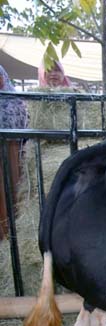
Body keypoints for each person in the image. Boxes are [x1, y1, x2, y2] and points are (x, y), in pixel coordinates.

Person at [0, 65, 30, 239]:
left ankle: (11, 234)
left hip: (10, 152)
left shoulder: (14, 100)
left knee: (10, 192)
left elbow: (24, 127)